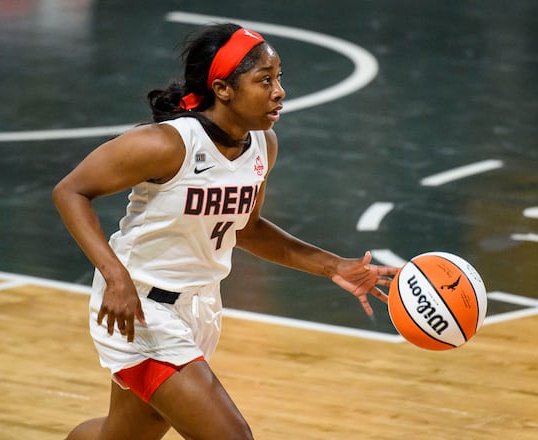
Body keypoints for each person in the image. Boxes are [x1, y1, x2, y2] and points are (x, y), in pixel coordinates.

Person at [52, 22, 399, 440]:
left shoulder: (262, 144)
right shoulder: (167, 145)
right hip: (141, 311)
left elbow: (246, 229)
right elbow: (70, 191)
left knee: (121, 436)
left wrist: (333, 266)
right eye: (264, 80)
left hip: (200, 308)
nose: (279, 91)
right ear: (223, 89)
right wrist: (115, 276)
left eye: (279, 78)